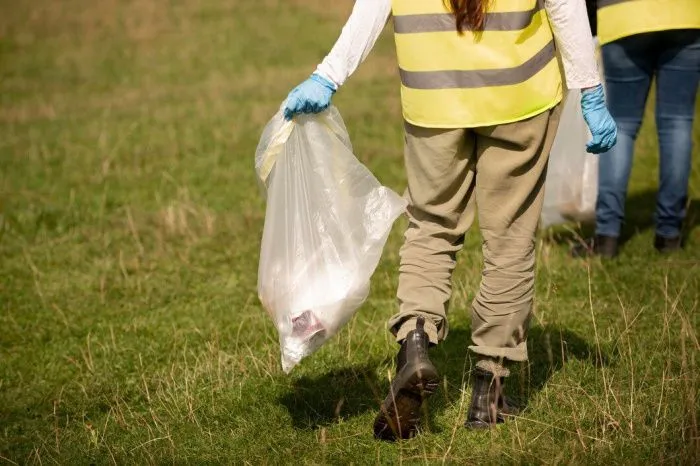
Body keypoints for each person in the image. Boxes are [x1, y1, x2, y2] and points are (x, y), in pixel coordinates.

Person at [283, 0, 616, 440]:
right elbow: (565, 4)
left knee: (431, 227)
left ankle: (415, 344)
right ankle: (489, 394)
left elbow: (373, 6)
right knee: (510, 239)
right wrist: (590, 88)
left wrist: (329, 75)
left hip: (433, 99)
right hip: (519, 98)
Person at [577, 0, 700, 258]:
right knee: (677, 122)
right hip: (686, 14)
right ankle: (669, 234)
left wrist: (585, 21)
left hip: (622, 16)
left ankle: (606, 236)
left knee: (620, 125)